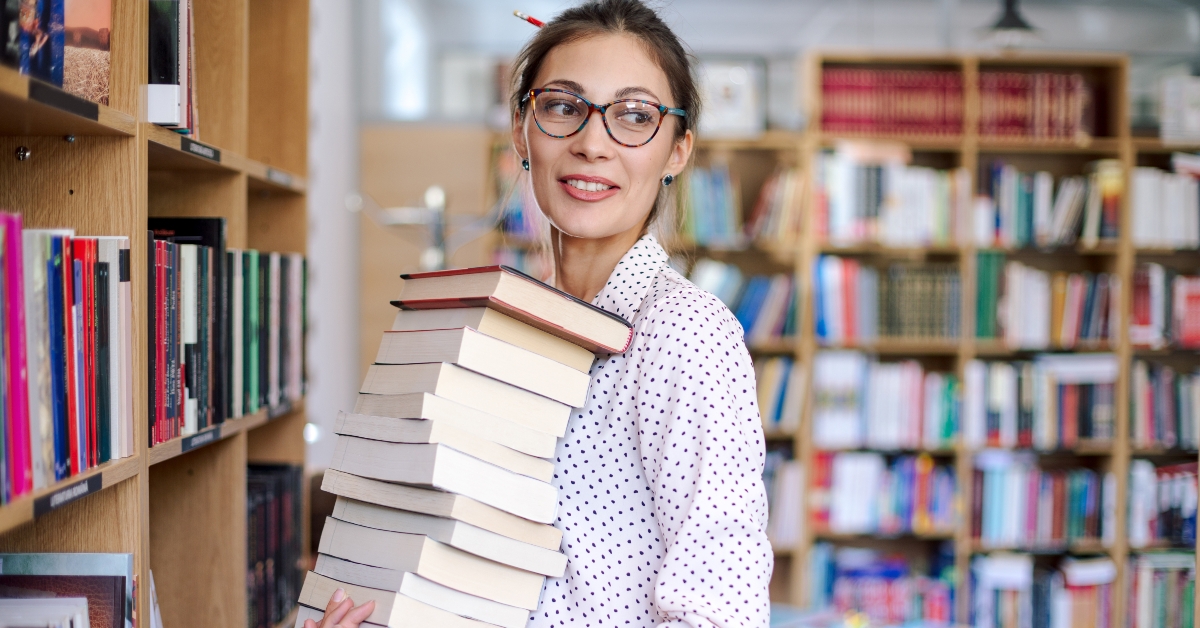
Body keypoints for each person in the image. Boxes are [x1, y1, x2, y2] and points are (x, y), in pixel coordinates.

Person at [306, 1, 772, 626]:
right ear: (523, 130)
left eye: (634, 116)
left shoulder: (685, 334)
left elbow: (721, 613)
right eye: (562, 106)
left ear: (677, 151)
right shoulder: (511, 327)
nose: (591, 143)